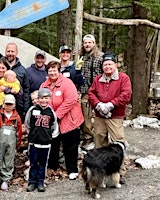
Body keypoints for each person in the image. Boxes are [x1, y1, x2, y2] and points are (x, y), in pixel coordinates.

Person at [88, 51, 131, 184]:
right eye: (105, 64)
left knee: (118, 142)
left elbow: (126, 94)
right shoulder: (98, 79)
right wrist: (98, 104)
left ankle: (120, 172)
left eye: (110, 64)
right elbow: (91, 93)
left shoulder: (123, 78)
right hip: (100, 115)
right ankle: (101, 170)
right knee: (99, 141)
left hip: (115, 116)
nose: (107, 67)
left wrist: (111, 104)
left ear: (115, 65)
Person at [40, 61, 84, 180]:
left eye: (55, 70)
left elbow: (71, 99)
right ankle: (53, 167)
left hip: (70, 119)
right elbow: (42, 101)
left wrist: (56, 115)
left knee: (70, 146)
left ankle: (72, 169)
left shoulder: (67, 83)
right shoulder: (44, 85)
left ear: (59, 71)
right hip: (53, 122)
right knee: (53, 145)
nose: (52, 72)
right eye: (50, 70)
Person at [24, 88, 59, 192]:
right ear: (38, 99)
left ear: (49, 99)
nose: (44, 100)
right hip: (34, 142)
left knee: (43, 164)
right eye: (41, 98)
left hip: (46, 143)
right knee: (33, 163)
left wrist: (49, 136)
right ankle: (32, 182)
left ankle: (40, 182)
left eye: (46, 98)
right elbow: (27, 123)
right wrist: (33, 134)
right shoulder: (32, 110)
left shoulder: (51, 112)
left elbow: (54, 126)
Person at [0, 43, 30, 120]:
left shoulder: (22, 70)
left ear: (16, 52)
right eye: (8, 51)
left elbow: (26, 89)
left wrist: (25, 109)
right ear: (5, 52)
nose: (10, 53)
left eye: (12, 51)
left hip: (17, 106)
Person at [0, 94, 23, 191]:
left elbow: (19, 131)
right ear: (3, 104)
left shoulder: (17, 118)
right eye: (7, 104)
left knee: (9, 160)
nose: (8, 107)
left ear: (14, 105)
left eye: (11, 104)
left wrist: (18, 143)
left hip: (11, 143)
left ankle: (6, 179)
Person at [79, 34, 104, 149]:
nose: (87, 45)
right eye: (85, 43)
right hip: (85, 91)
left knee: (99, 115)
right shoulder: (81, 57)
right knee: (86, 114)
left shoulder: (101, 57)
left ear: (94, 44)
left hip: (99, 92)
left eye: (89, 42)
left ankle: (100, 138)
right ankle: (88, 137)